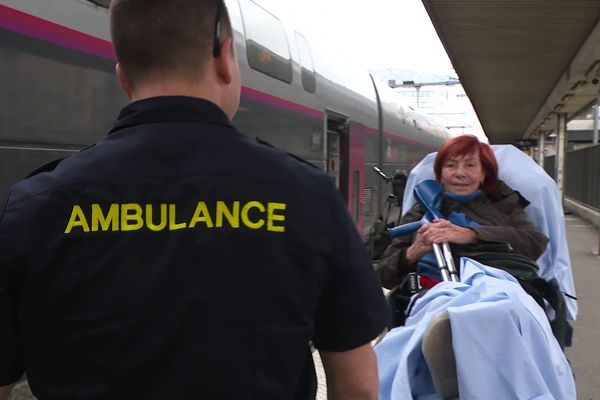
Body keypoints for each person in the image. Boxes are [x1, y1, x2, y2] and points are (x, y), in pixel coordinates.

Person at [0, 1, 388, 399]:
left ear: (123, 78)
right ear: (223, 56)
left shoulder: (34, 206)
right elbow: (357, 385)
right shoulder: (309, 197)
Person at [378, 134, 549, 290]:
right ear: (441, 175)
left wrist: (470, 234)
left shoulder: (504, 203)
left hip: (498, 296)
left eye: (470, 165)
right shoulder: (422, 210)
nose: (460, 173)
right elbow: (383, 275)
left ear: (483, 174)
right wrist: (413, 252)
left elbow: (534, 243)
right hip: (430, 299)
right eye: (451, 166)